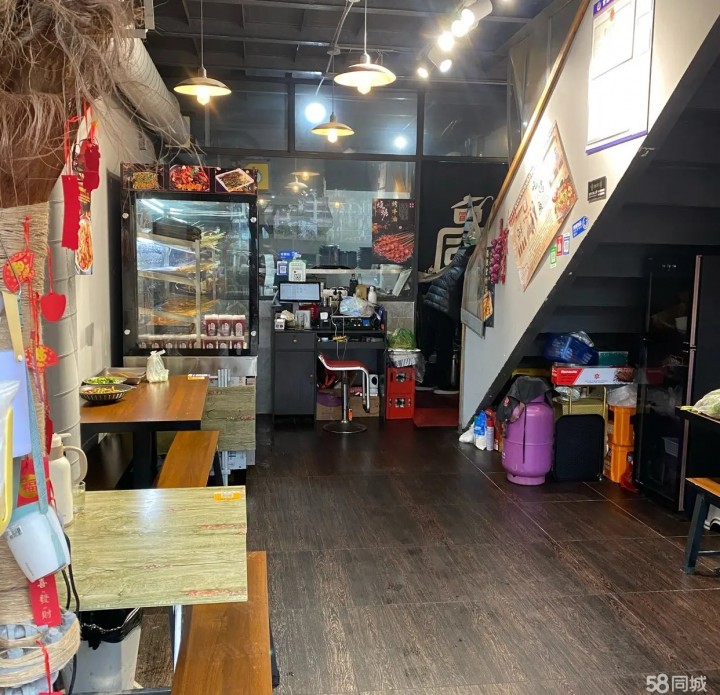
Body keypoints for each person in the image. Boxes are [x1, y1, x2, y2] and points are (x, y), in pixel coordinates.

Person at [420, 245, 473, 394]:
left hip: (430, 304)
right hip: (444, 309)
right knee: (444, 347)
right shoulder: (465, 268)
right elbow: (462, 295)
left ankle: (425, 380)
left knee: (429, 345)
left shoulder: (451, 261)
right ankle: (443, 384)